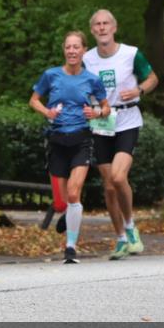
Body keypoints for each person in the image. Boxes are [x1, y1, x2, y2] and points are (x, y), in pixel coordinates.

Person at [83, 9, 159, 260]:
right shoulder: (87, 59)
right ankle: (120, 239)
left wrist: (139, 90)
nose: (102, 28)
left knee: (118, 177)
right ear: (93, 30)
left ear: (114, 28)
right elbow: (80, 88)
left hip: (127, 119)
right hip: (101, 122)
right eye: (97, 24)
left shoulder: (131, 54)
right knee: (108, 186)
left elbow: (152, 78)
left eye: (106, 24)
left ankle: (130, 227)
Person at [30, 32, 110, 263]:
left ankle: (71, 248)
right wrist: (48, 112)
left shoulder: (92, 79)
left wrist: (95, 112)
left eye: (76, 47)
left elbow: (105, 108)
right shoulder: (51, 75)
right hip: (56, 140)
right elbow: (34, 99)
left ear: (84, 50)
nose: (72, 51)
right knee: (60, 202)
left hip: (81, 140)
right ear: (64, 50)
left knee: (74, 194)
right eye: (68, 47)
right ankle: (67, 213)